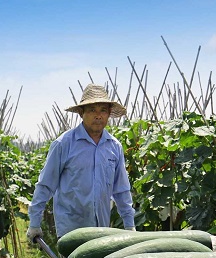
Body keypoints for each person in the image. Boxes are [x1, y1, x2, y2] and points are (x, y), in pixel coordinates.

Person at [27, 84, 136, 244]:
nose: (98, 116)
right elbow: (45, 185)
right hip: (71, 231)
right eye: (92, 110)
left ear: (109, 114)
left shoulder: (114, 146)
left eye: (103, 110)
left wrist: (129, 224)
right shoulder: (64, 144)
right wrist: (34, 223)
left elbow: (121, 190)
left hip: (101, 230)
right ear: (81, 113)